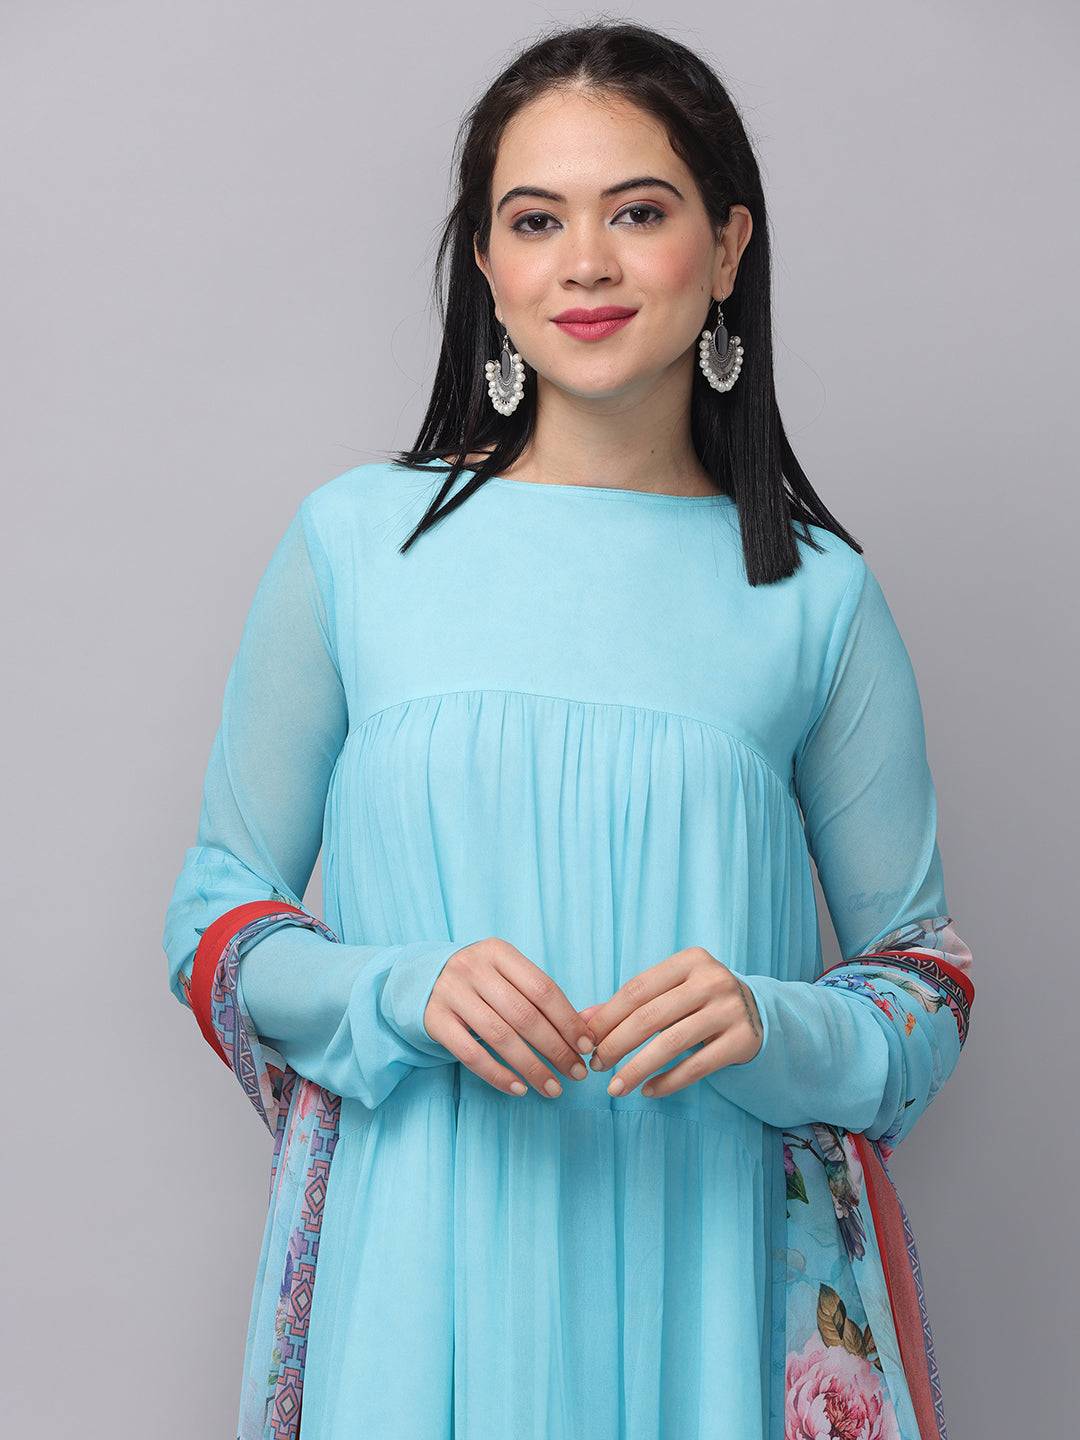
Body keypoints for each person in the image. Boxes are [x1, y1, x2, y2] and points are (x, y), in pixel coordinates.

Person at [162, 19, 975, 1440]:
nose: (584, 264)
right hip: (419, 1262)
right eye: (535, 220)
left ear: (727, 250)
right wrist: (399, 992)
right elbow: (217, 921)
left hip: (709, 1262)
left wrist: (769, 1018)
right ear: (486, 265)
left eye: (639, 212)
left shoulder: (814, 597)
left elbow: (926, 982)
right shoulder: (356, 545)